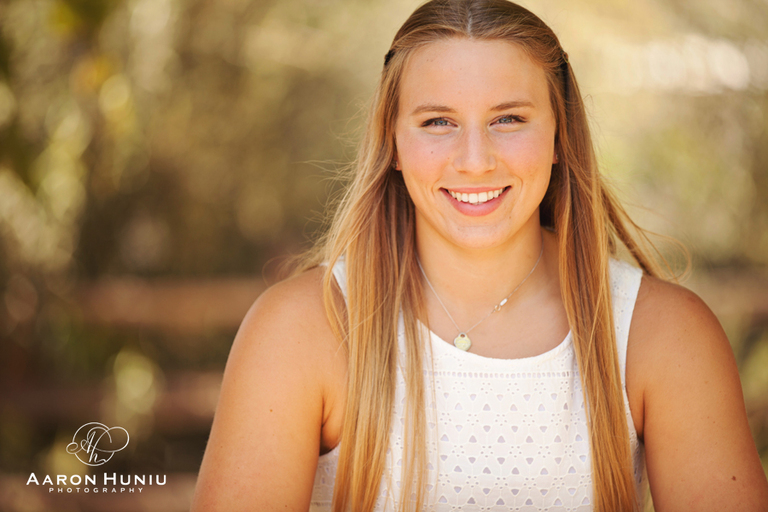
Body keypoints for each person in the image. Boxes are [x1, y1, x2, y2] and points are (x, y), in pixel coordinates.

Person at [191, 0, 768, 510]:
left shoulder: (664, 337)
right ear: (393, 142)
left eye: (508, 119)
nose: (474, 160)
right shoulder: (299, 332)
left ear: (561, 136)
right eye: (438, 121)